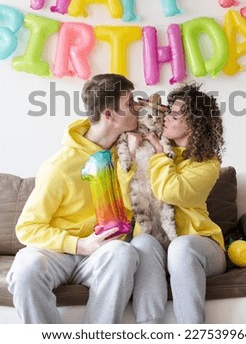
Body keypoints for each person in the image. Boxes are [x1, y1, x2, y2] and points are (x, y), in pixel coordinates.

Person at [6, 73, 144, 324]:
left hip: (101, 253)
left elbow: (131, 210)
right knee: (26, 271)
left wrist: (130, 165)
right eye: (130, 104)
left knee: (124, 254)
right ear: (108, 114)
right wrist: (78, 245)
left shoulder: (126, 153)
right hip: (56, 252)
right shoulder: (59, 166)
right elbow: (27, 228)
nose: (137, 109)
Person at [122, 82, 226, 324]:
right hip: (159, 246)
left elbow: (169, 191)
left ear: (194, 124)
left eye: (175, 115)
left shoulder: (207, 164)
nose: (167, 118)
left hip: (201, 246)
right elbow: (130, 198)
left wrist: (160, 154)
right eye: (168, 112)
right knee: (142, 243)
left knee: (181, 247)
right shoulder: (149, 149)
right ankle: (150, 331)